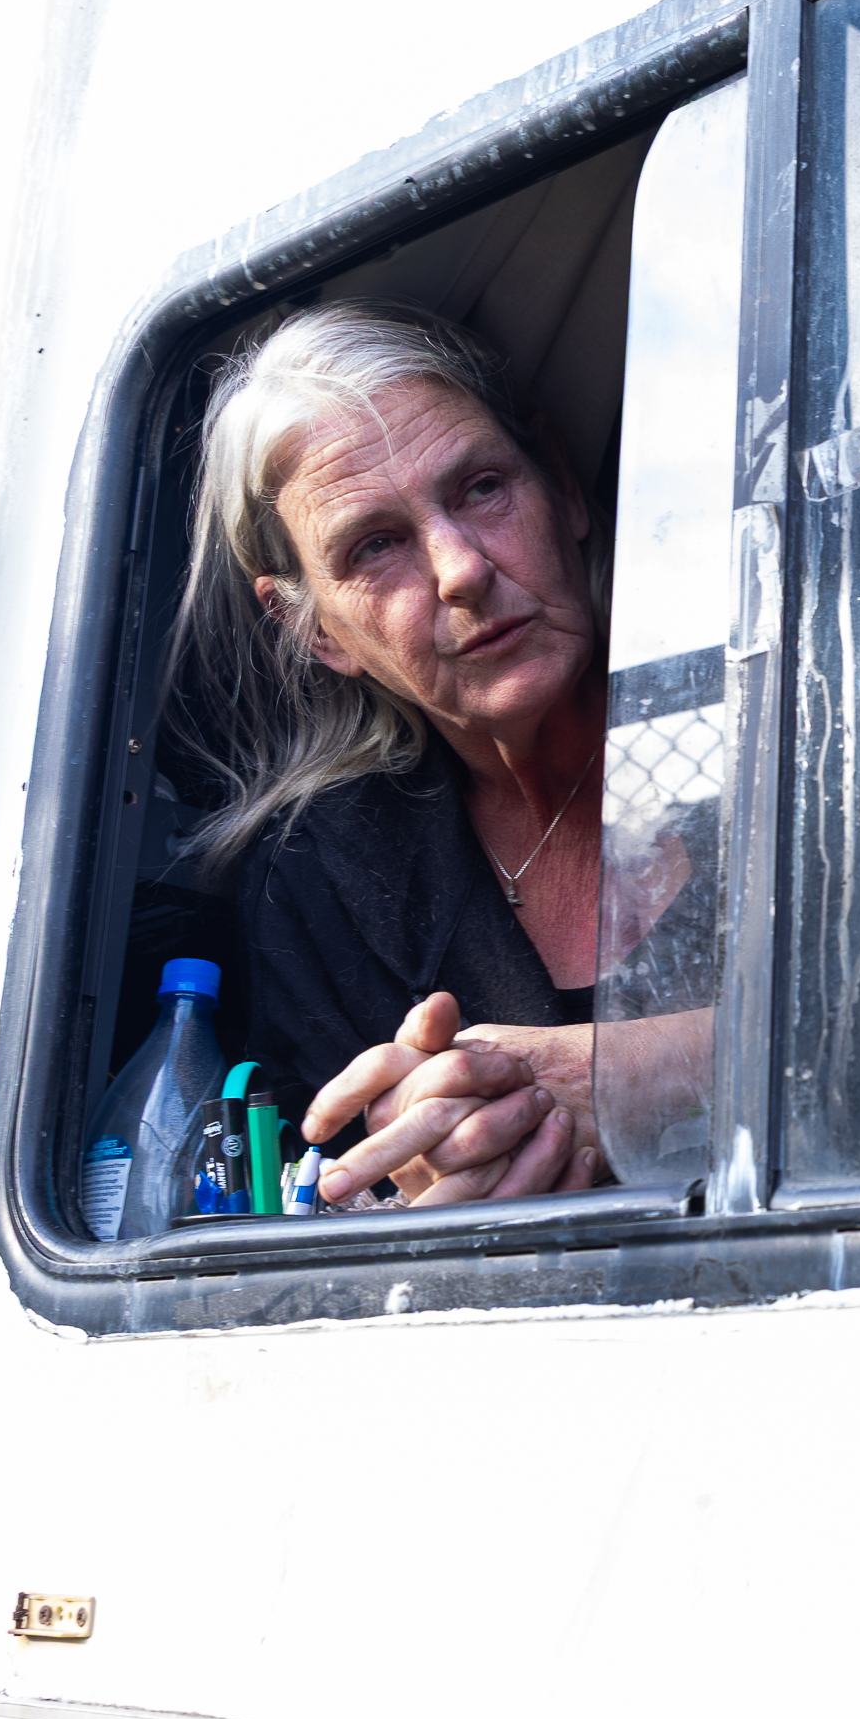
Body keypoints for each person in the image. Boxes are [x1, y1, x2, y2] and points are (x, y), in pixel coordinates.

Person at [168, 300, 711, 1206]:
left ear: (565, 492)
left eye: (482, 488)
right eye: (375, 546)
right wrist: (414, 1182)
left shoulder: (787, 724)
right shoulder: (326, 877)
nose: (460, 568)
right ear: (315, 632)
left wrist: (617, 1082)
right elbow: (323, 1205)